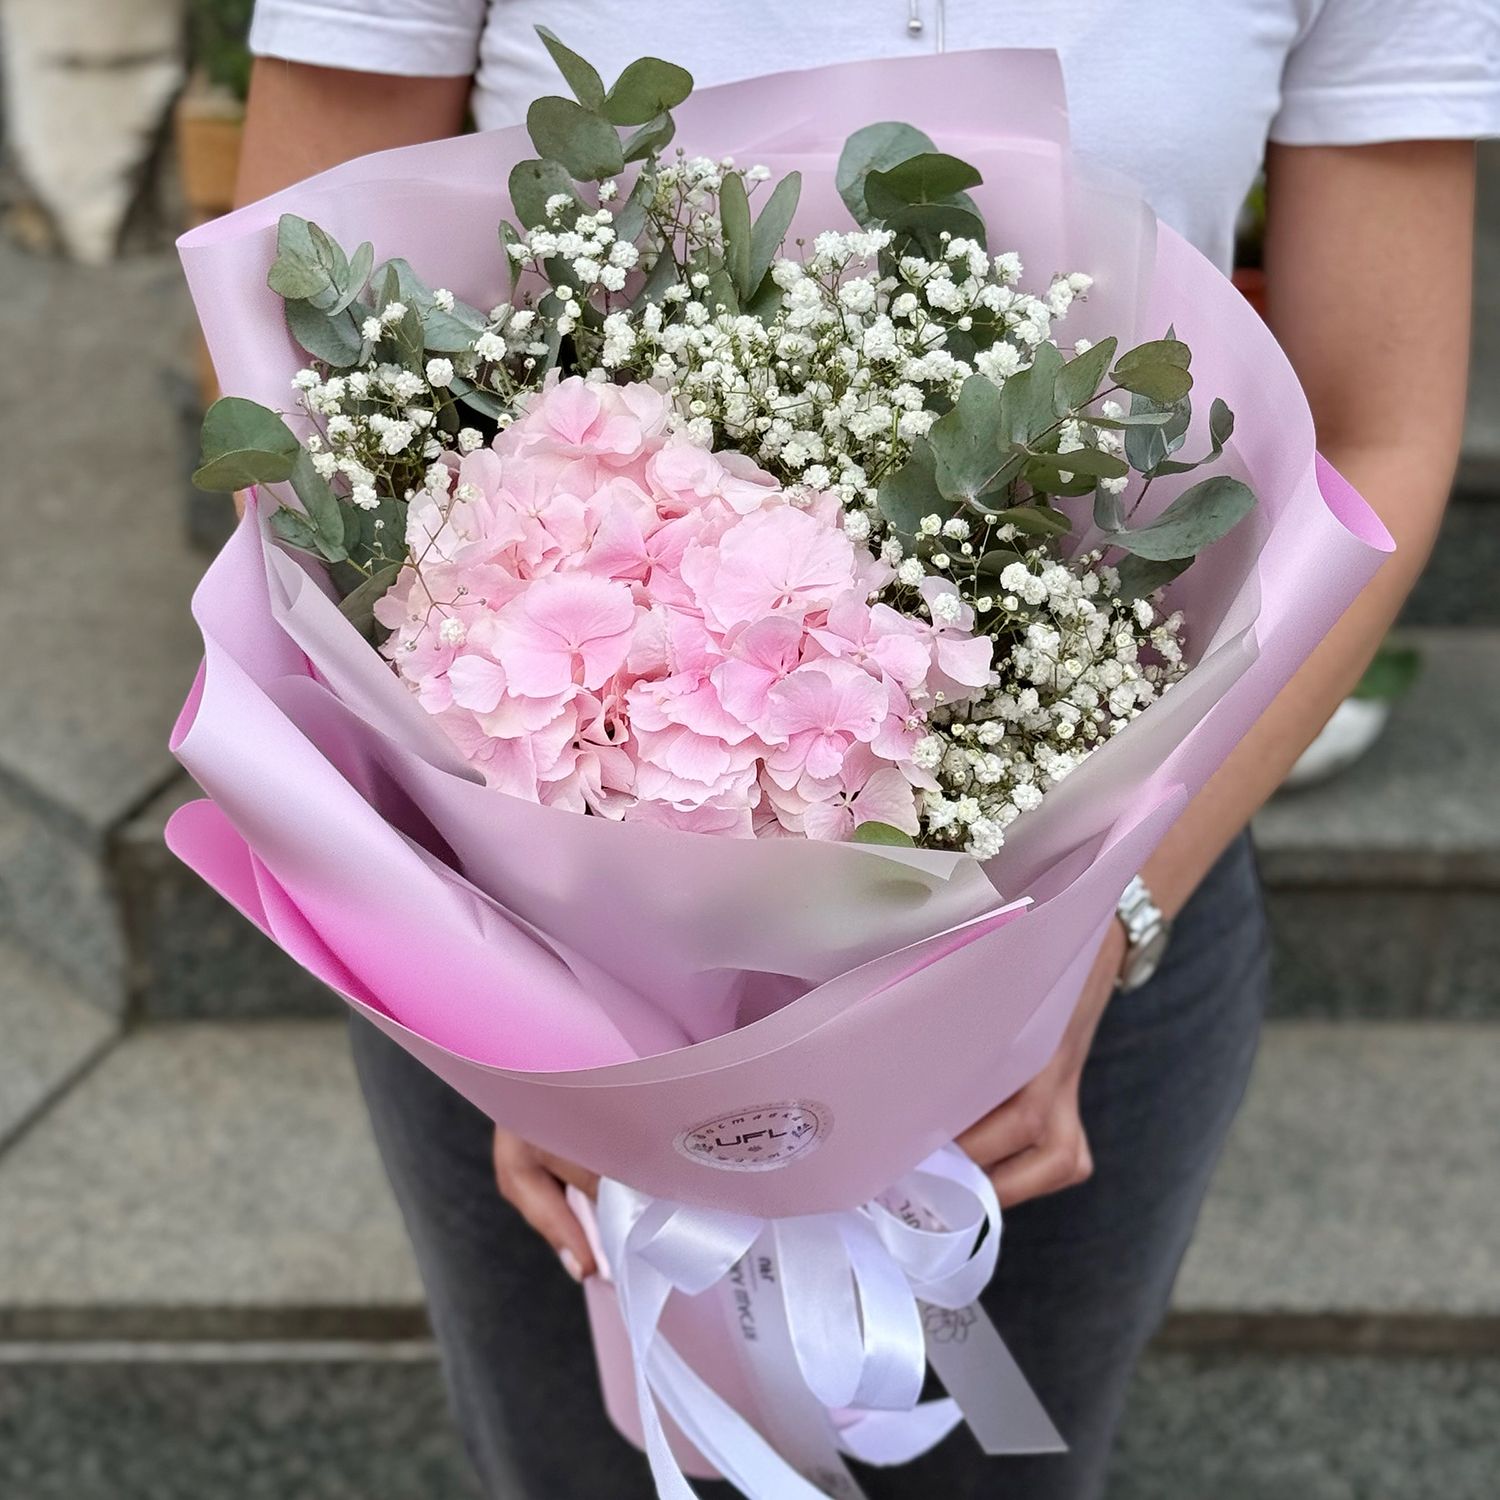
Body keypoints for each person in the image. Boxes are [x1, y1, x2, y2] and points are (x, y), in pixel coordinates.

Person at [235, 4, 1498, 1496]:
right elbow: (279, 350)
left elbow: (1376, 432)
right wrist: (538, 990)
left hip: (1096, 932)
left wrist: (1100, 927)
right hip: (511, 932)